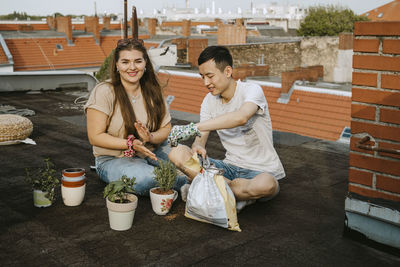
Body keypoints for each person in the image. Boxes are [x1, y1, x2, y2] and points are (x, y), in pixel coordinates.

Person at [168, 45, 285, 212]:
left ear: (228, 71)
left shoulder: (251, 90)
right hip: (228, 168)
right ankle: (232, 193)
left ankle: (211, 189)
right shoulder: (209, 101)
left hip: (260, 172)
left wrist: (193, 127)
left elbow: (241, 117)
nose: (206, 83)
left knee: (267, 185)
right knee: (176, 153)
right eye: (202, 77)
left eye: (210, 76)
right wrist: (198, 146)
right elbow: (200, 140)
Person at [84, 38, 186, 195]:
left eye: (138, 61)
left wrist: (150, 137)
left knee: (189, 160)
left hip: (153, 151)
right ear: (117, 65)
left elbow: (166, 128)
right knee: (145, 179)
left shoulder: (153, 91)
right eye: (125, 62)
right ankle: (191, 185)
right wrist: (131, 144)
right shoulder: (104, 91)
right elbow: (95, 137)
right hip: (113, 160)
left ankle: (199, 182)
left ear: (145, 64)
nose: (132, 67)